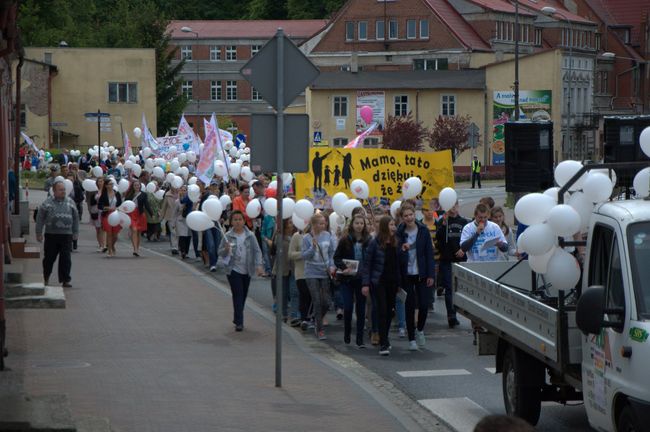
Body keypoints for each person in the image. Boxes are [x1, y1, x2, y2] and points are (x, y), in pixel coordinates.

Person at [396, 203, 435, 351]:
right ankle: (411, 338)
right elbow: (396, 253)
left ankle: (420, 329)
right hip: (406, 274)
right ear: (402, 217)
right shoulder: (399, 232)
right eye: (405, 216)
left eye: (410, 214)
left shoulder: (423, 230)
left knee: (424, 304)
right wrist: (402, 248)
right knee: (409, 306)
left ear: (414, 214)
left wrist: (431, 274)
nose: (409, 218)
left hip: (421, 272)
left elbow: (429, 254)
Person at [218, 210, 264, 332]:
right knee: (238, 294)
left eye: (240, 219)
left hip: (247, 270)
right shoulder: (228, 236)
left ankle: (237, 317)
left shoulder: (250, 235)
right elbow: (220, 252)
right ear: (231, 222)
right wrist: (226, 249)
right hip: (233, 269)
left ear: (244, 221)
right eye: (235, 219)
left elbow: (257, 251)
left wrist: (259, 265)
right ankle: (240, 322)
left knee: (243, 295)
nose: (238, 222)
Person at [361, 215, 400, 356]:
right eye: (391, 225)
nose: (393, 227)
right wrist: (365, 283)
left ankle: (385, 336)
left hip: (392, 282)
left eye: (394, 225)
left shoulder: (396, 241)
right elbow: (367, 264)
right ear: (385, 227)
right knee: (382, 310)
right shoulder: (374, 242)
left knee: (390, 311)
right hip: (379, 282)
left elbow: (398, 264)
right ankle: (383, 342)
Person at [334, 213, 370, 347]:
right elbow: (336, 257)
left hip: (362, 279)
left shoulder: (368, 240)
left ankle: (360, 339)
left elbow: (371, 259)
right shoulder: (345, 240)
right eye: (357, 223)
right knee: (348, 307)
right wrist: (343, 267)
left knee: (361, 310)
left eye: (362, 223)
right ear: (352, 225)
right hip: (347, 279)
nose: (359, 226)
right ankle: (347, 333)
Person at [35, 180, 79, 287]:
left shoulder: (70, 202)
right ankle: (46, 277)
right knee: (49, 258)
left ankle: (65, 279)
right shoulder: (47, 203)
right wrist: (39, 232)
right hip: (51, 235)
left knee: (66, 259)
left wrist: (75, 232)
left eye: (64, 190)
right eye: (60, 190)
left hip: (66, 235)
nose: (63, 192)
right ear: (54, 191)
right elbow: (40, 218)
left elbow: (75, 217)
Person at [301, 212, 336, 340]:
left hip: (324, 271)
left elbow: (332, 252)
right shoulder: (306, 238)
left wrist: (332, 266)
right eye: (321, 223)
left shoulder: (328, 235)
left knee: (327, 301)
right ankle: (319, 329)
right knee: (316, 299)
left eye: (324, 222)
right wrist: (313, 248)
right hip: (311, 272)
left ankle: (315, 318)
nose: (324, 225)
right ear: (314, 225)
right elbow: (304, 256)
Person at [435, 202, 468, 327]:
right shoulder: (442, 221)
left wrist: (463, 250)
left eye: (455, 205)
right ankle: (451, 315)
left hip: (461, 259)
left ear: (458, 206)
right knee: (449, 288)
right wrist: (443, 225)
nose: (452, 208)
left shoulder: (463, 222)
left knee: (460, 288)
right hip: (447, 259)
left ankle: (461, 310)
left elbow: (468, 238)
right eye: (450, 206)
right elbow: (438, 238)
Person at [271, 218, 295, 322]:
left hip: (292, 270)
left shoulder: (293, 237)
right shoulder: (279, 237)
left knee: (293, 292)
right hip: (281, 270)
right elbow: (273, 250)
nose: (292, 225)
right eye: (290, 223)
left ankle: (293, 314)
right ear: (284, 225)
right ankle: (283, 313)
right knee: (283, 293)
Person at [289, 223, 311, 330]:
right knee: (304, 294)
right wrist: (303, 254)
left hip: (313, 271)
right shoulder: (296, 236)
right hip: (300, 272)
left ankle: (310, 318)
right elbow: (291, 254)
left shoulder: (315, 236)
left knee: (312, 296)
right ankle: (304, 319)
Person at [125, 180, 151, 257]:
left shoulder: (143, 194)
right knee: (134, 230)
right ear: (133, 186)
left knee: (138, 232)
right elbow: (125, 204)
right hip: (131, 214)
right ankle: (135, 249)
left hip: (140, 214)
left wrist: (151, 213)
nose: (137, 186)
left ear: (140, 186)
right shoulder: (129, 194)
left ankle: (137, 248)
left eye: (138, 185)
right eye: (135, 185)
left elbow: (146, 205)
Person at [98, 179, 123, 257]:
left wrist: (117, 208)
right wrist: (106, 208)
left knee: (115, 235)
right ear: (106, 185)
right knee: (109, 233)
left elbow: (120, 204)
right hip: (107, 215)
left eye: (112, 184)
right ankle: (110, 252)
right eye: (110, 184)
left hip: (116, 214)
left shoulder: (117, 193)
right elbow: (100, 205)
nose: (111, 185)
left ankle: (111, 246)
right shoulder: (104, 194)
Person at [89, 177, 106, 252]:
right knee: (98, 229)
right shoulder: (94, 191)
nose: (100, 183)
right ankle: (100, 245)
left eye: (101, 181)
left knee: (103, 229)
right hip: (96, 211)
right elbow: (90, 201)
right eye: (99, 181)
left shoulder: (106, 191)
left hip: (103, 211)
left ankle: (104, 245)